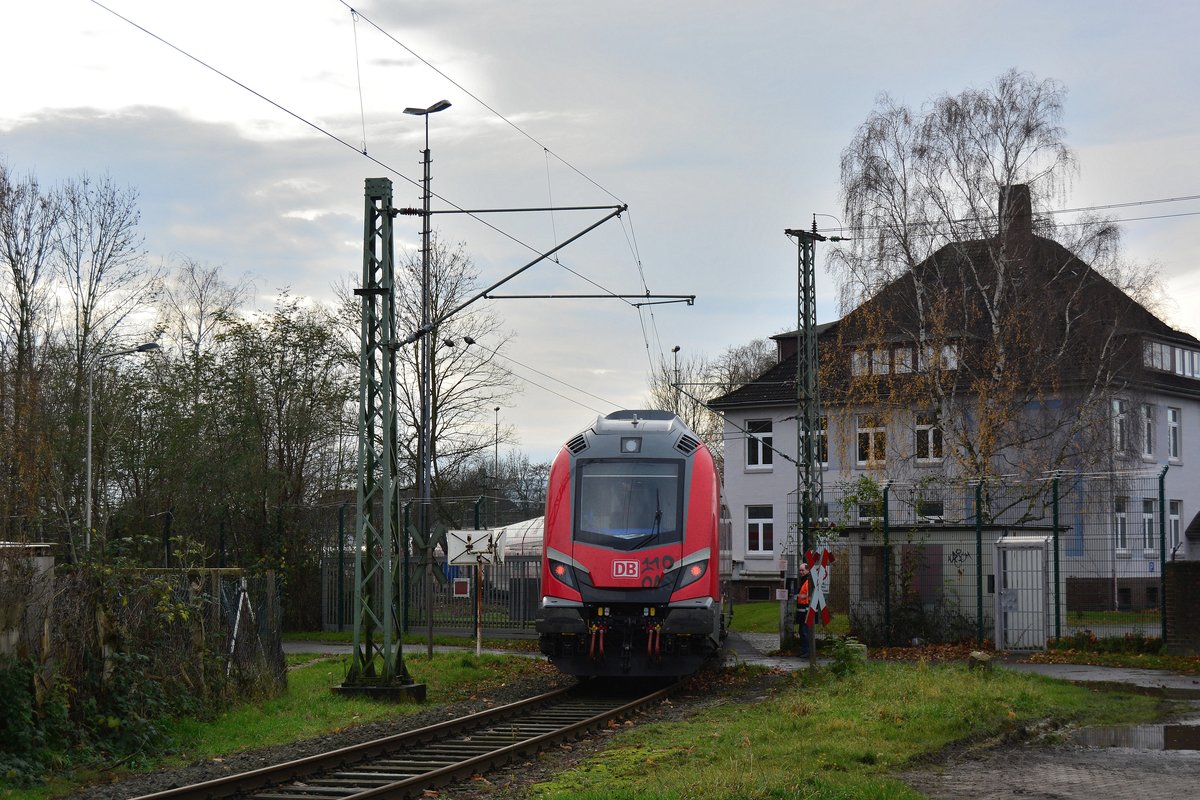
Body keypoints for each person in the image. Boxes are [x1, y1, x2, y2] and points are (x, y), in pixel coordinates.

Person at [795, 562, 811, 657]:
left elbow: (808, 598)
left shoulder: (807, 582)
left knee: (804, 632)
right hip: (802, 611)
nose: (801, 572)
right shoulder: (804, 581)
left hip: (805, 611)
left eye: (803, 570)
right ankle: (804, 650)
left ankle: (807, 651)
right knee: (802, 631)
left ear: (807, 570)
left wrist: (806, 611)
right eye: (800, 570)